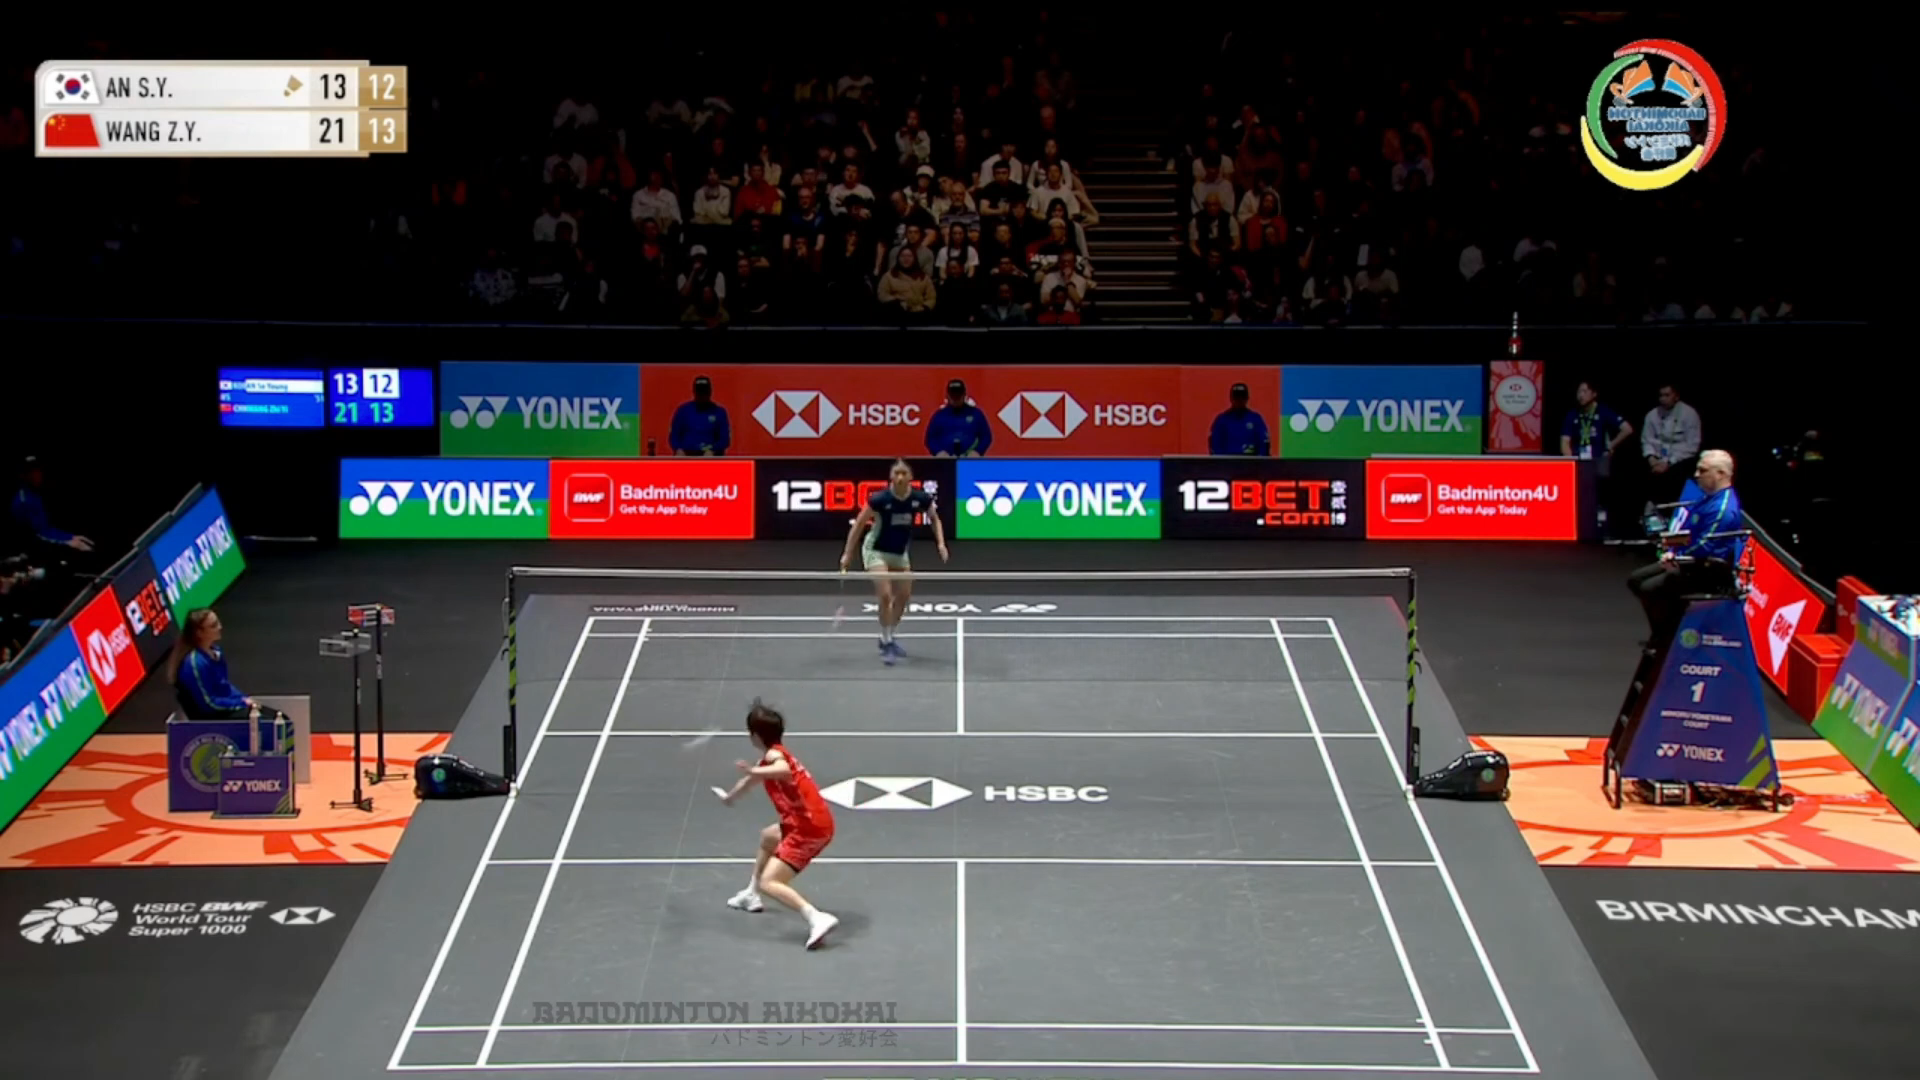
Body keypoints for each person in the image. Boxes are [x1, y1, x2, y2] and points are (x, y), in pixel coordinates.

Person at [716, 699, 839, 949]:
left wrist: (753, 772)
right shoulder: (769, 761)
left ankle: (816, 917)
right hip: (807, 821)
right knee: (768, 837)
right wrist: (730, 797)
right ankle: (751, 894)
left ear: (755, 736)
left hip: (810, 829)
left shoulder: (776, 757)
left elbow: (783, 770)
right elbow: (750, 782)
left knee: (770, 882)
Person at [1627, 450, 1742, 644]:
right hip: (1689, 560)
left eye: (1703, 470)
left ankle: (1667, 637)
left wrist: (1676, 558)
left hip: (1707, 570)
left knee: (1649, 588)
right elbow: (1689, 532)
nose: (1696, 475)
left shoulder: (1723, 509)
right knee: (1634, 579)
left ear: (1720, 474)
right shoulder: (1707, 497)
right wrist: (1670, 546)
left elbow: (1704, 546)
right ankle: (1664, 631)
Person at [841, 459, 948, 664]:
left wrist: (941, 544)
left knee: (904, 595)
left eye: (903, 473)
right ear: (891, 476)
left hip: (899, 553)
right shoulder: (880, 499)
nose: (899, 477)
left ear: (910, 477)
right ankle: (888, 642)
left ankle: (887, 637)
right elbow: (859, 524)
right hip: (876, 551)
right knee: (885, 595)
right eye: (896, 473)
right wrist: (848, 553)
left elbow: (935, 519)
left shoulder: (919, 498)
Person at [166, 608, 284, 722]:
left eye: (218, 623)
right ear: (199, 633)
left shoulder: (216, 652)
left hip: (225, 708)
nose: (220, 627)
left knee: (281, 719)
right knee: (267, 724)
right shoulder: (195, 664)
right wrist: (240, 704)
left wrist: (243, 699)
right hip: (213, 716)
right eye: (213, 625)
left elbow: (225, 686)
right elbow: (208, 703)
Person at [1559, 381, 1634, 538]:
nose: (1581, 395)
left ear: (1594, 394)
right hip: (1580, 461)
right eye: (1579, 392)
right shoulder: (1573, 414)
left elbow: (1627, 429)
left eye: (1585, 391)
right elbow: (1565, 441)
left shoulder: (1603, 411)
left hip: (1599, 460)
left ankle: (1603, 525)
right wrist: (1570, 461)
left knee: (1602, 491)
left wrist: (1610, 446)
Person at [10, 456, 94, 555]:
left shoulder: (36, 494)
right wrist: (67, 542)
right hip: (34, 552)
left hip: (47, 543)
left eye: (38, 470)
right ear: (23, 475)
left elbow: (46, 528)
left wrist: (70, 537)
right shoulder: (23, 501)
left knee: (88, 543)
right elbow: (35, 536)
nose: (38, 474)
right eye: (32, 471)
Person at [1641, 384, 1702, 508]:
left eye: (1667, 395)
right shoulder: (1652, 415)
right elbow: (1646, 440)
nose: (1663, 399)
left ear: (1676, 396)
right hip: (1656, 461)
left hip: (1680, 462)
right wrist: (1651, 458)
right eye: (1661, 396)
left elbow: (1692, 446)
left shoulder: (1689, 414)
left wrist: (1669, 462)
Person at [923, 378, 992, 457]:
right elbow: (930, 439)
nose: (956, 399)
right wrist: (938, 452)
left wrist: (977, 451)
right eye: (953, 395)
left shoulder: (976, 414)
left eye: (958, 395)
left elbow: (986, 436)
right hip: (945, 459)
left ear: (964, 395)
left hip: (969, 459)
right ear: (947, 396)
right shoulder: (939, 416)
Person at [668, 375, 731, 455]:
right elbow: (674, 435)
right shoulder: (683, 411)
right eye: (699, 392)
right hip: (687, 454)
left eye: (704, 392)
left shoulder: (719, 412)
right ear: (694, 392)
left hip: (710, 454)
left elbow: (725, 439)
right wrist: (678, 449)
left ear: (710, 392)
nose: (701, 395)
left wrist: (713, 450)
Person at [1208, 382, 1271, 455]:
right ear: (1231, 398)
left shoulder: (1256, 419)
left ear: (1247, 398)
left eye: (1242, 397)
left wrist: (1259, 461)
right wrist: (1223, 461)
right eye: (1236, 397)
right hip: (1227, 461)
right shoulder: (1221, 420)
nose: (1239, 400)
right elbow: (1215, 445)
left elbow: (1264, 444)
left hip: (1251, 461)